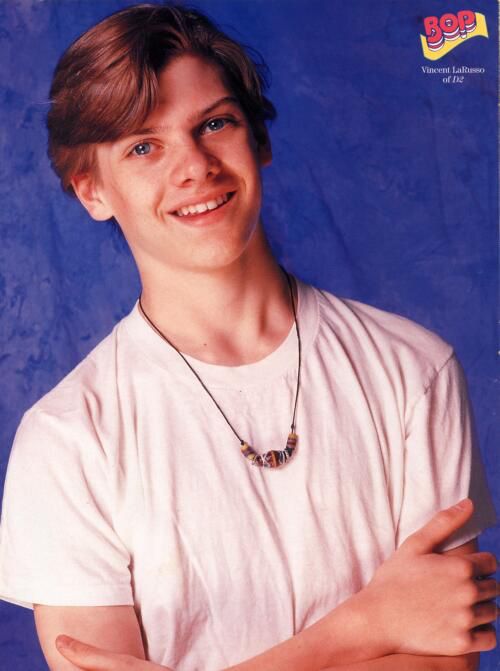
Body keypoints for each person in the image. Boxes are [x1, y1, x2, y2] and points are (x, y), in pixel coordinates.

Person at [0, 4, 497, 671]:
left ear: (258, 139)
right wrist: (367, 622)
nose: (195, 166)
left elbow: (438, 664)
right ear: (92, 190)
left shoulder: (413, 371)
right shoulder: (66, 438)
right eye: (144, 146)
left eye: (215, 124)